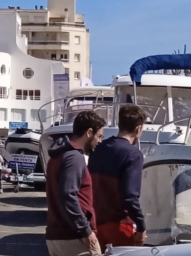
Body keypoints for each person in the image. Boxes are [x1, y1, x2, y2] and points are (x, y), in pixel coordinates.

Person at [46, 110, 106, 256]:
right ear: (89, 132)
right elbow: (67, 195)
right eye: (99, 136)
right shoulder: (74, 158)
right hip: (74, 237)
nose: (100, 141)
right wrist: (85, 230)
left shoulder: (58, 156)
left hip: (57, 235)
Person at [88, 105, 146, 248]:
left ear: (119, 125)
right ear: (138, 129)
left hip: (95, 225)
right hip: (120, 225)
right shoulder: (133, 155)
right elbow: (130, 196)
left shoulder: (98, 148)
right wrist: (141, 225)